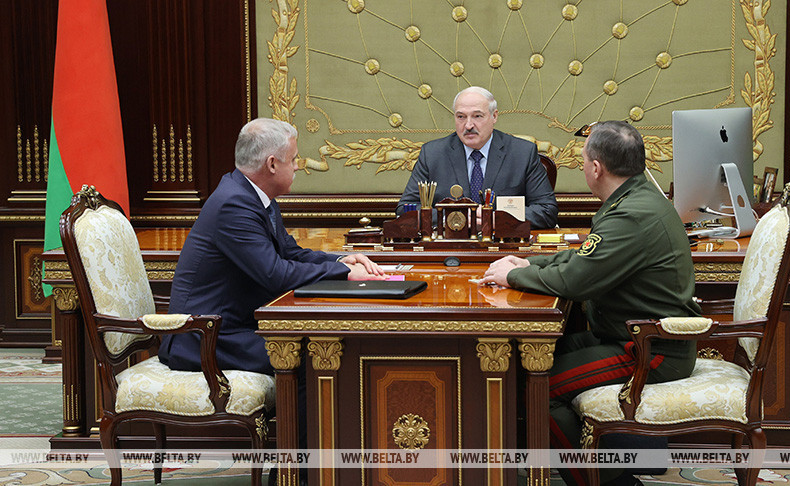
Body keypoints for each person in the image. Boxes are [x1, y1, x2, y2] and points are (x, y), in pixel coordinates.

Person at [480, 121, 701, 486]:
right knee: (526, 364)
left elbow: (575, 280)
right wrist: (528, 264)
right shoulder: (637, 198)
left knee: (539, 387)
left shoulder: (631, 215)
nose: (583, 167)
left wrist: (512, 277)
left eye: (583, 160)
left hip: (652, 349)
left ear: (596, 168)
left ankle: (604, 481)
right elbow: (585, 257)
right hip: (629, 335)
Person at [159, 118, 384, 374]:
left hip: (230, 329)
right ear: (273, 164)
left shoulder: (253, 196)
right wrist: (344, 274)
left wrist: (340, 261)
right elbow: (275, 274)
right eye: (294, 159)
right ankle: (296, 416)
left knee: (327, 349)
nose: (298, 166)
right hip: (205, 338)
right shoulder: (233, 205)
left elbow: (291, 253)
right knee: (315, 357)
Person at [396, 86, 558, 229]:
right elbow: (405, 209)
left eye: (477, 116)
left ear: (494, 116)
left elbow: (546, 211)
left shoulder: (522, 153)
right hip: (450, 247)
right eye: (461, 117)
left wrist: (495, 218)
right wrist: (452, 218)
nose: (468, 125)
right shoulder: (432, 154)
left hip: (505, 248)